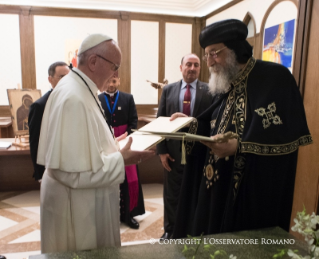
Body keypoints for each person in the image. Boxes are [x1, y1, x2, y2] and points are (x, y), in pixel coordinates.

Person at [173, 19, 313, 239]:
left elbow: (284, 137)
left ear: (233, 50)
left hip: (249, 191)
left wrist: (238, 147)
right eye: (206, 55)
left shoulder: (275, 78)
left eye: (213, 53)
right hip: (217, 185)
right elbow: (211, 120)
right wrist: (188, 123)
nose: (208, 62)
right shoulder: (227, 81)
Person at [37, 34, 154, 253]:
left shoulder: (82, 89)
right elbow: (71, 173)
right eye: (114, 66)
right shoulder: (73, 97)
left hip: (79, 201)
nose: (116, 74)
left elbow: (87, 146)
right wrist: (121, 159)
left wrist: (113, 144)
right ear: (93, 62)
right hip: (75, 209)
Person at [156, 53, 212, 240]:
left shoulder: (210, 90)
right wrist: (162, 151)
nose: (192, 68)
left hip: (199, 152)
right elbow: (161, 121)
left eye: (196, 65)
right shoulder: (169, 90)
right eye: (188, 64)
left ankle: (191, 231)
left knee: (195, 192)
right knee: (172, 195)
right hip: (172, 153)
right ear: (181, 67)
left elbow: (212, 121)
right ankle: (170, 231)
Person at [98, 71, 145, 229]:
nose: (111, 84)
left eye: (114, 81)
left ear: (119, 80)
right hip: (106, 145)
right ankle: (109, 215)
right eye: (109, 81)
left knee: (128, 180)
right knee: (110, 180)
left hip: (126, 144)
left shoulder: (128, 98)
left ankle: (129, 215)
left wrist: (127, 138)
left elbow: (133, 121)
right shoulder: (97, 99)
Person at [28, 61, 69, 181]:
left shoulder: (73, 101)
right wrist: (40, 172)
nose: (66, 80)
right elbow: (35, 141)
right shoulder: (39, 106)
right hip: (49, 167)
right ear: (50, 79)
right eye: (62, 77)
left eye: (69, 76)